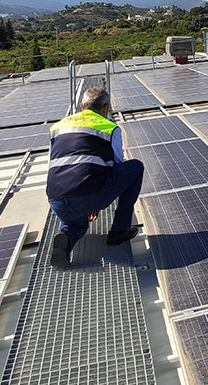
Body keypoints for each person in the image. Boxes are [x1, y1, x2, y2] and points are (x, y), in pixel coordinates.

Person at [46, 87, 144, 267]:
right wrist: (96, 201)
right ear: (106, 108)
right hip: (89, 194)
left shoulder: (57, 127)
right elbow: (116, 166)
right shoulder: (109, 127)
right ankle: (119, 231)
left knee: (76, 224)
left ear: (82, 106)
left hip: (56, 199)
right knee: (135, 167)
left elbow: (53, 164)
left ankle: (66, 239)